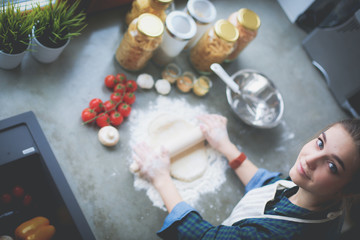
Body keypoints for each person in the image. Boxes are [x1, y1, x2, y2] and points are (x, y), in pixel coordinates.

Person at [132, 114, 360, 239]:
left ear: (347, 189)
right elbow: (270, 184)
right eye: (320, 143)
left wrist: (161, 178)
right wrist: (225, 146)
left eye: (332, 166)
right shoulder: (321, 195)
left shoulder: (283, 235)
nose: (309, 160)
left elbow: (205, 236)